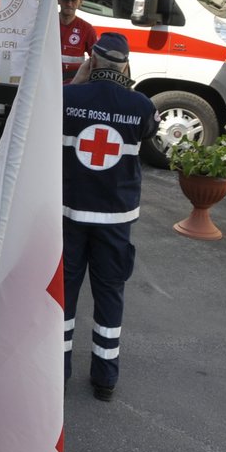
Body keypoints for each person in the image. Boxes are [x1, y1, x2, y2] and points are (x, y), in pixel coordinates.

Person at [62, 32, 160, 402]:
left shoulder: (67, 97)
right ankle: (105, 378)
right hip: (116, 220)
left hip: (70, 215)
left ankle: (59, 371)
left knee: (64, 293)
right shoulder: (142, 106)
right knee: (109, 294)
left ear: (93, 61)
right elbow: (148, 131)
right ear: (126, 65)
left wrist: (78, 81)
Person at [58, 0, 97, 83]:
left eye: (73, 0)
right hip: (47, 77)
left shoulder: (87, 29)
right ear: (58, 0)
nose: (69, 3)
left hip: (74, 80)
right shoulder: (47, 24)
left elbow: (96, 58)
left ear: (80, 2)